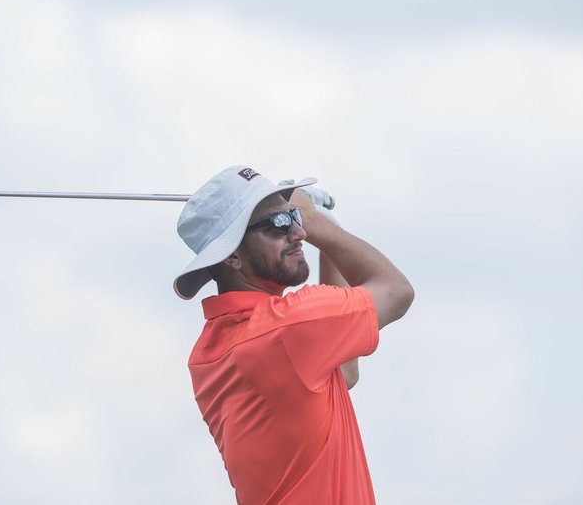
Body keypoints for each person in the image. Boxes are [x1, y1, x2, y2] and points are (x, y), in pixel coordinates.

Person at [174, 166, 414, 504]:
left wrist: (321, 231)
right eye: (278, 224)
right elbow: (397, 290)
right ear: (232, 257)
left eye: (294, 218)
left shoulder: (210, 348)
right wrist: (317, 223)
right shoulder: (286, 327)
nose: (298, 232)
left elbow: (343, 373)